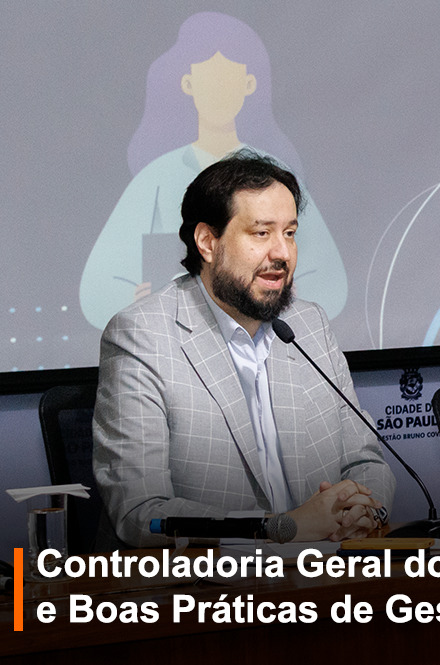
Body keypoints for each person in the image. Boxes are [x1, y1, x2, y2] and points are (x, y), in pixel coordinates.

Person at [93, 151, 392, 548]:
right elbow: (142, 513)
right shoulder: (143, 336)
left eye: (289, 233)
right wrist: (283, 527)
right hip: (211, 595)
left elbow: (367, 460)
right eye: (261, 233)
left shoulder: (308, 325)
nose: (282, 254)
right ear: (207, 242)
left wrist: (365, 512)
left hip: (325, 578)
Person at [80, 12, 346, 330]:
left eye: (288, 233)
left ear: (250, 84)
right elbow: (97, 291)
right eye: (261, 232)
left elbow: (332, 286)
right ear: (187, 83)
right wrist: (136, 301)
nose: (280, 247)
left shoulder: (278, 185)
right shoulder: (154, 179)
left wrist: (279, 293)